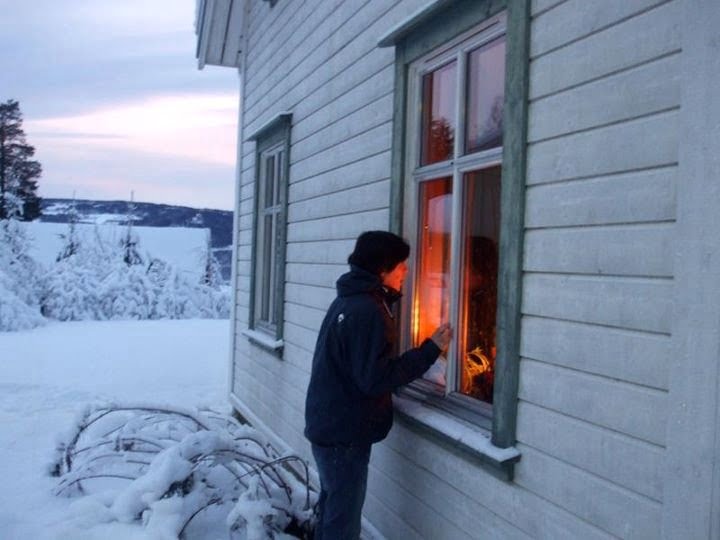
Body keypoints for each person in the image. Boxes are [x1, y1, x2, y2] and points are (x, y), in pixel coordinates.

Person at [304, 230, 452, 539]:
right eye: (402, 266)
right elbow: (375, 378)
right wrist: (430, 350)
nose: (407, 272)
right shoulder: (367, 310)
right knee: (341, 523)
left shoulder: (350, 300)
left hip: (331, 427)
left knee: (332, 509)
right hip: (344, 435)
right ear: (383, 269)